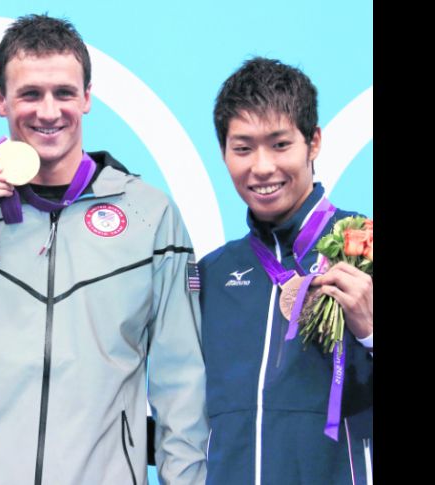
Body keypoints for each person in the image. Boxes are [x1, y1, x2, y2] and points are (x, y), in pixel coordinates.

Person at [0, 14, 209, 485]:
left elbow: (181, 385)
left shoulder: (150, 216)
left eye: (63, 92)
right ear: (0, 100)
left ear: (87, 97)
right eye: (29, 94)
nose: (48, 111)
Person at [199, 57, 373, 485]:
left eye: (280, 144)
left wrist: (370, 332)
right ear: (223, 153)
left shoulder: (366, 245)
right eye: (243, 148)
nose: (261, 167)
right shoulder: (213, 274)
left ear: (313, 142)